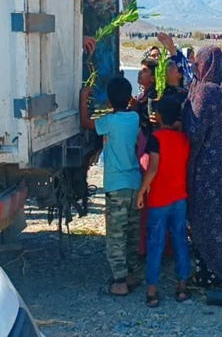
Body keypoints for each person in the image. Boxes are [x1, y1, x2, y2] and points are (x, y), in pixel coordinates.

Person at [183, 46, 222, 303]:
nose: (196, 69)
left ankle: (214, 275)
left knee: (203, 221)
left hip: (206, 168)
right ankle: (216, 273)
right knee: (219, 221)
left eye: (198, 64)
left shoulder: (206, 92)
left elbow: (194, 132)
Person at [79, 78, 140, 296]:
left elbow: (86, 123)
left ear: (110, 100)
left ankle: (119, 281)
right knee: (132, 233)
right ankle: (132, 274)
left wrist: (83, 97)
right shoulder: (134, 117)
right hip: (135, 183)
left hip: (116, 185)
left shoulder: (109, 122)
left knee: (116, 234)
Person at [136, 97, 191, 308]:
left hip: (159, 199)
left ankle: (152, 290)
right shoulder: (184, 139)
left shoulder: (155, 139)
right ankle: (182, 286)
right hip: (180, 198)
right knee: (180, 242)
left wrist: (142, 192)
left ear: (157, 116)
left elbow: (153, 168)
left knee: (155, 244)